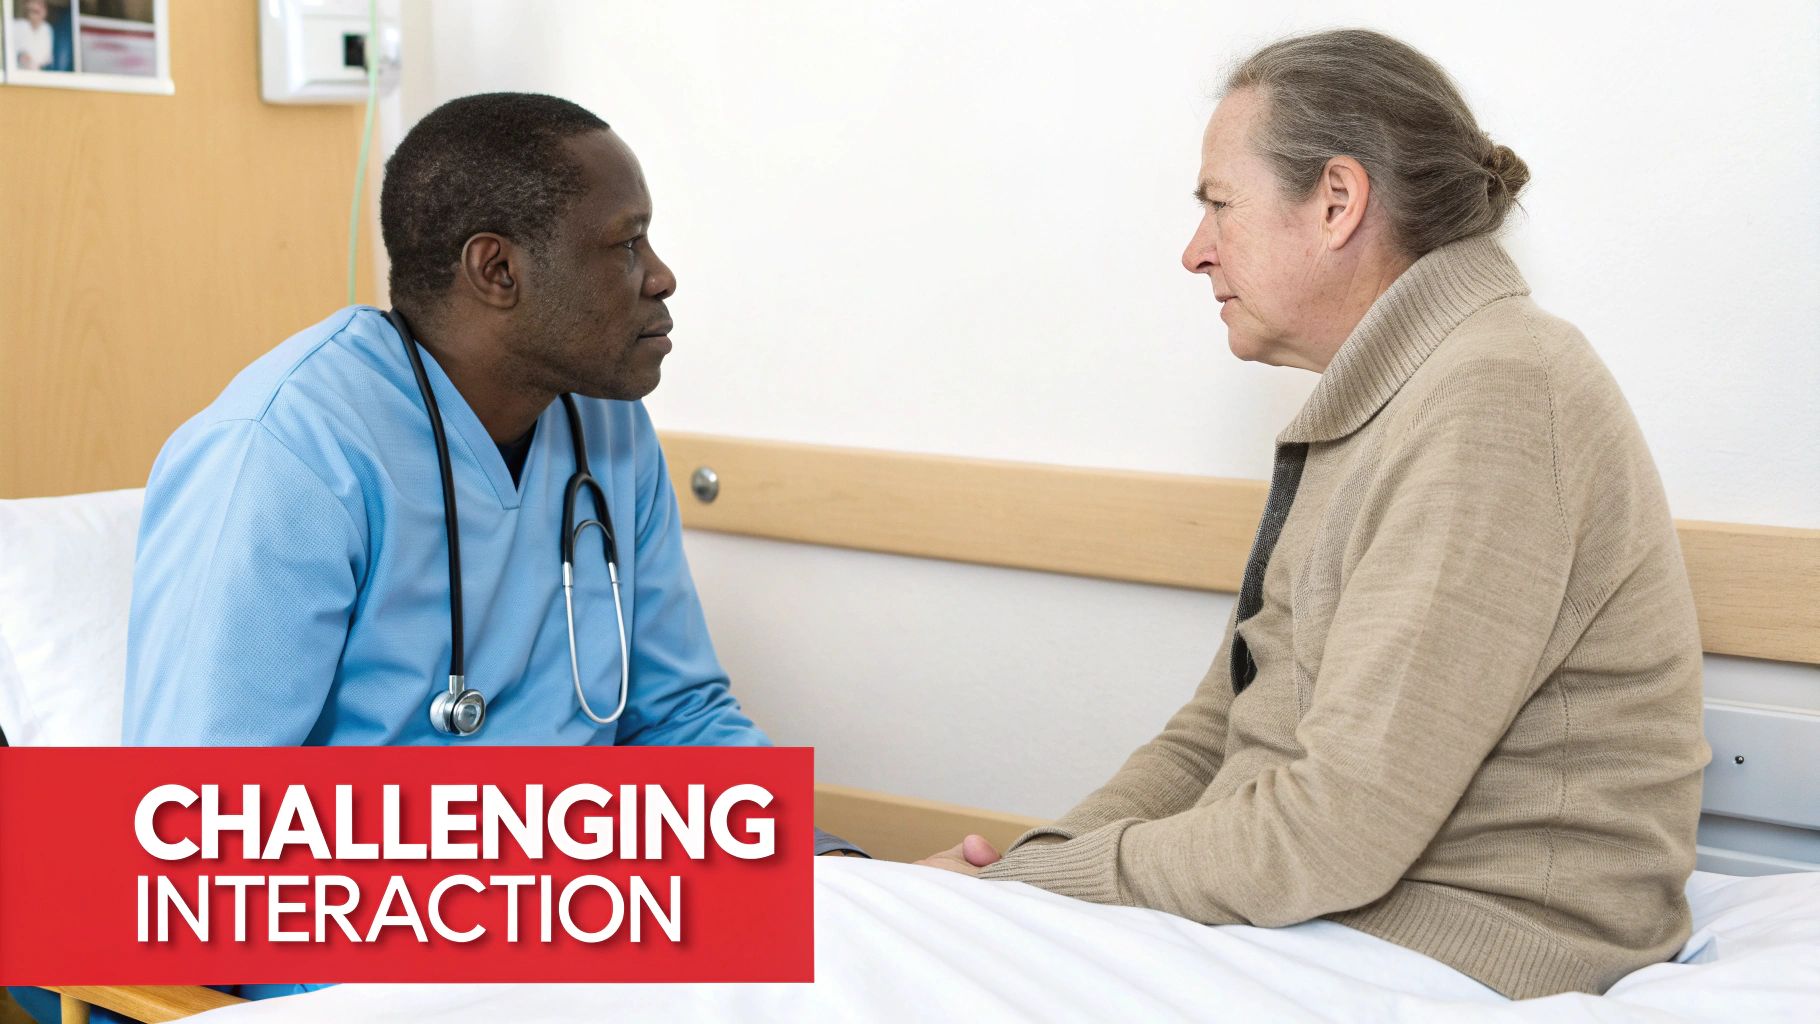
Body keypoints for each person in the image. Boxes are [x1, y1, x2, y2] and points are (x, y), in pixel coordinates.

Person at [919, 29, 1707, 1000]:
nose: (1193, 251)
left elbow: (1332, 830)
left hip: (1459, 943)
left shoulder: (1497, 389)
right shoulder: (1382, 403)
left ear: (1335, 202)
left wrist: (1032, 887)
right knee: (822, 926)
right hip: (1340, 922)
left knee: (810, 949)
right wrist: (1027, 871)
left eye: (1217, 206)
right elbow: (1214, 733)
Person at [83, 92, 860, 1013]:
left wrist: (831, 878)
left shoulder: (609, 429)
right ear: (498, 269)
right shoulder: (290, 452)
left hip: (589, 919)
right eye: (624, 244)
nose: (661, 277)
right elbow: (195, 840)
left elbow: (677, 717)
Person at [10, 0, 54, 71]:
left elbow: (46, 60)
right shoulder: (15, 26)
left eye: (41, 4)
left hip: (38, 75)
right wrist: (20, 56)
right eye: (34, 3)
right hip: (16, 74)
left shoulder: (46, 29)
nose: (37, 6)